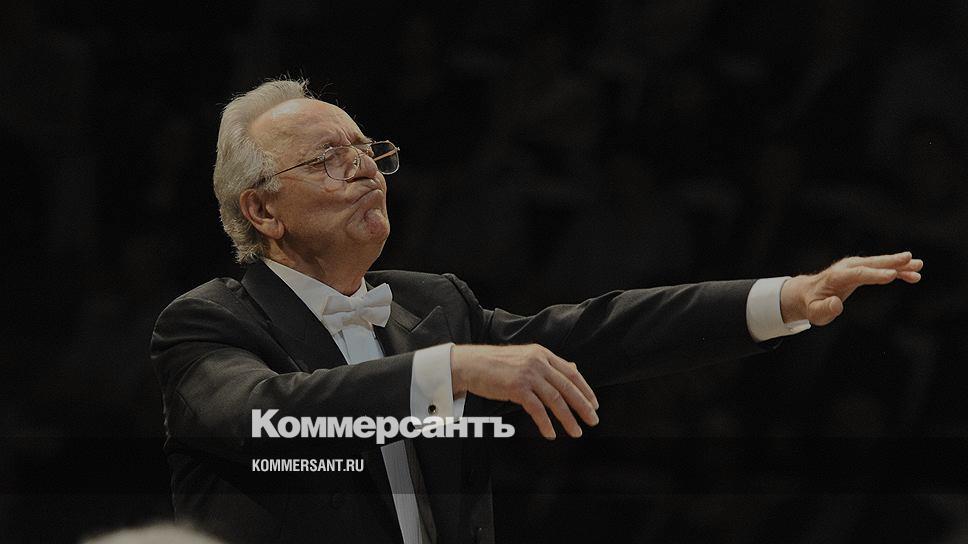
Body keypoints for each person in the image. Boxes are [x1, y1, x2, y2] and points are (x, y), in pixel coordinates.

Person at [150, 79, 923, 544]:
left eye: (367, 151)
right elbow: (267, 417)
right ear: (263, 210)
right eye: (327, 159)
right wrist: (449, 370)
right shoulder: (208, 324)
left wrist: (782, 299)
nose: (365, 171)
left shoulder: (434, 303)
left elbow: (599, 332)